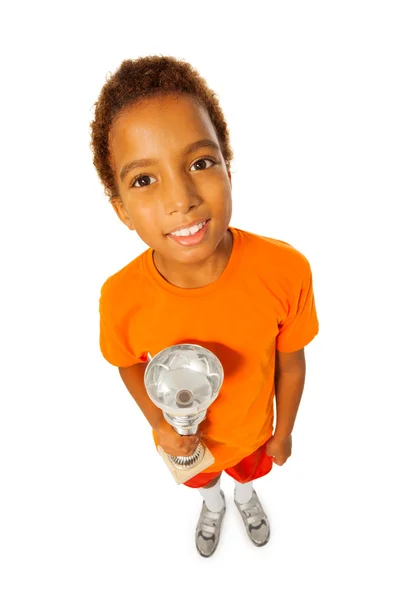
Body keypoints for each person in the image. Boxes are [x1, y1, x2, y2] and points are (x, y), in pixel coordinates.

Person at [90, 55, 319, 558]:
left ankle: (245, 496)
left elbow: (292, 359)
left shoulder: (285, 270)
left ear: (227, 167)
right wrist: (157, 422)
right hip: (192, 447)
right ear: (122, 211)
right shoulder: (121, 297)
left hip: (256, 432)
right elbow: (127, 361)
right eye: (144, 180)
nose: (183, 199)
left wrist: (284, 431)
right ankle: (213, 504)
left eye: (200, 163)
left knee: (247, 475)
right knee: (205, 482)